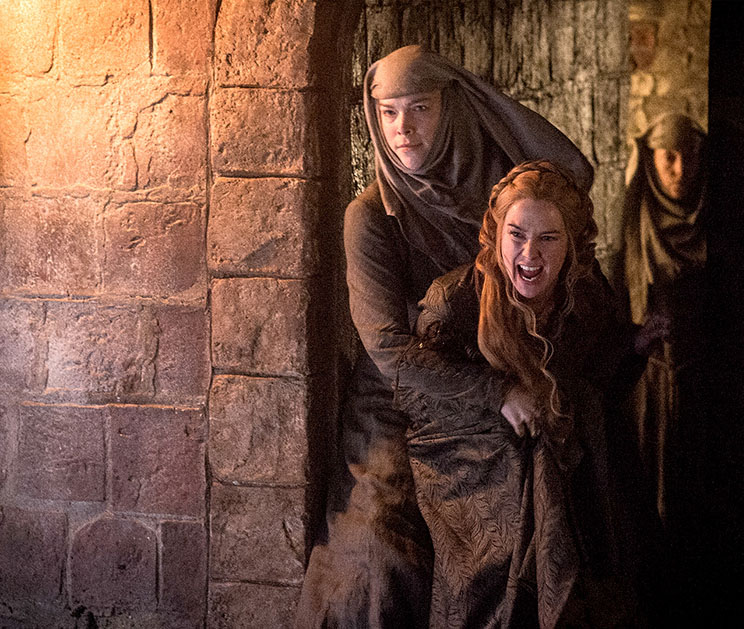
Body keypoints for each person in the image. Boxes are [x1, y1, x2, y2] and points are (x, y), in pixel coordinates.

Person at [294, 46, 593, 629]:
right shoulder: (371, 218)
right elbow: (387, 349)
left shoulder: (500, 196)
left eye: (420, 108)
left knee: (533, 518)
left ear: (451, 107)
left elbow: (565, 229)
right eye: (387, 112)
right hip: (399, 401)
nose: (402, 129)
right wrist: (495, 391)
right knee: (379, 548)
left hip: (501, 374)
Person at [395, 161, 650, 628]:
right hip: (476, 480)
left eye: (549, 238)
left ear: (572, 243)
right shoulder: (455, 301)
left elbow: (596, 377)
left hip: (565, 471)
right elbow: (416, 390)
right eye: (516, 235)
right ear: (496, 234)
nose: (530, 254)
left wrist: (634, 345)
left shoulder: (584, 296)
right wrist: (499, 395)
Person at [606, 113, 709, 606]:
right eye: (669, 157)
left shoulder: (718, 221)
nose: (680, 169)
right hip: (646, 383)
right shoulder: (634, 223)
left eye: (690, 156)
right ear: (650, 159)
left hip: (704, 380)